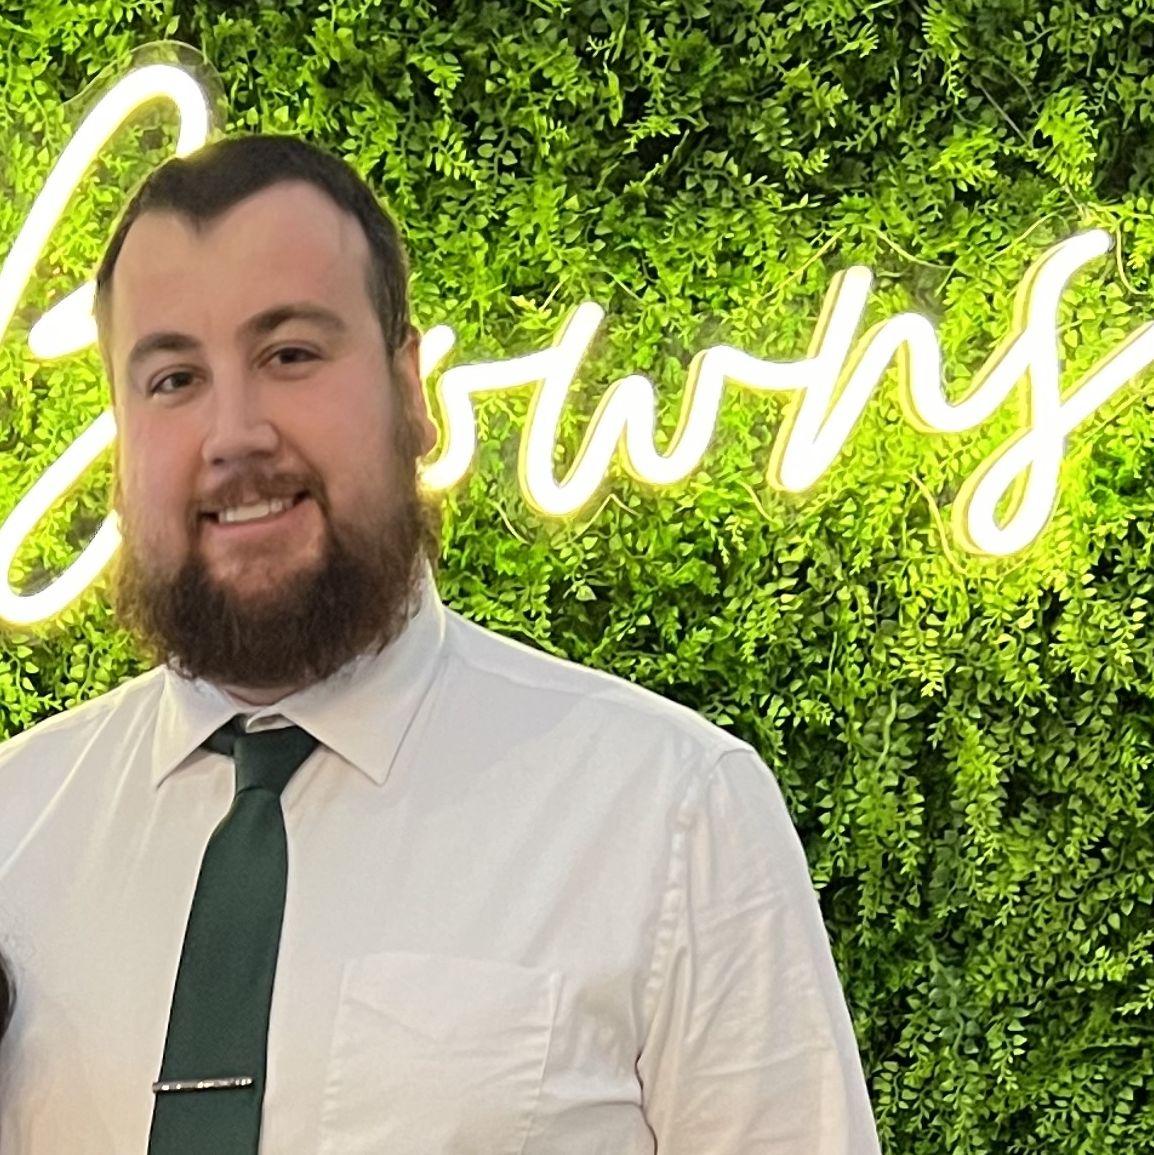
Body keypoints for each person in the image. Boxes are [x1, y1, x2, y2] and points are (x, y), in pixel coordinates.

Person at [0, 135, 881, 1153]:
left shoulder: (670, 813)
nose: (234, 433)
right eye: (172, 379)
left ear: (409, 386)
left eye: (290, 355)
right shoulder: (17, 826)